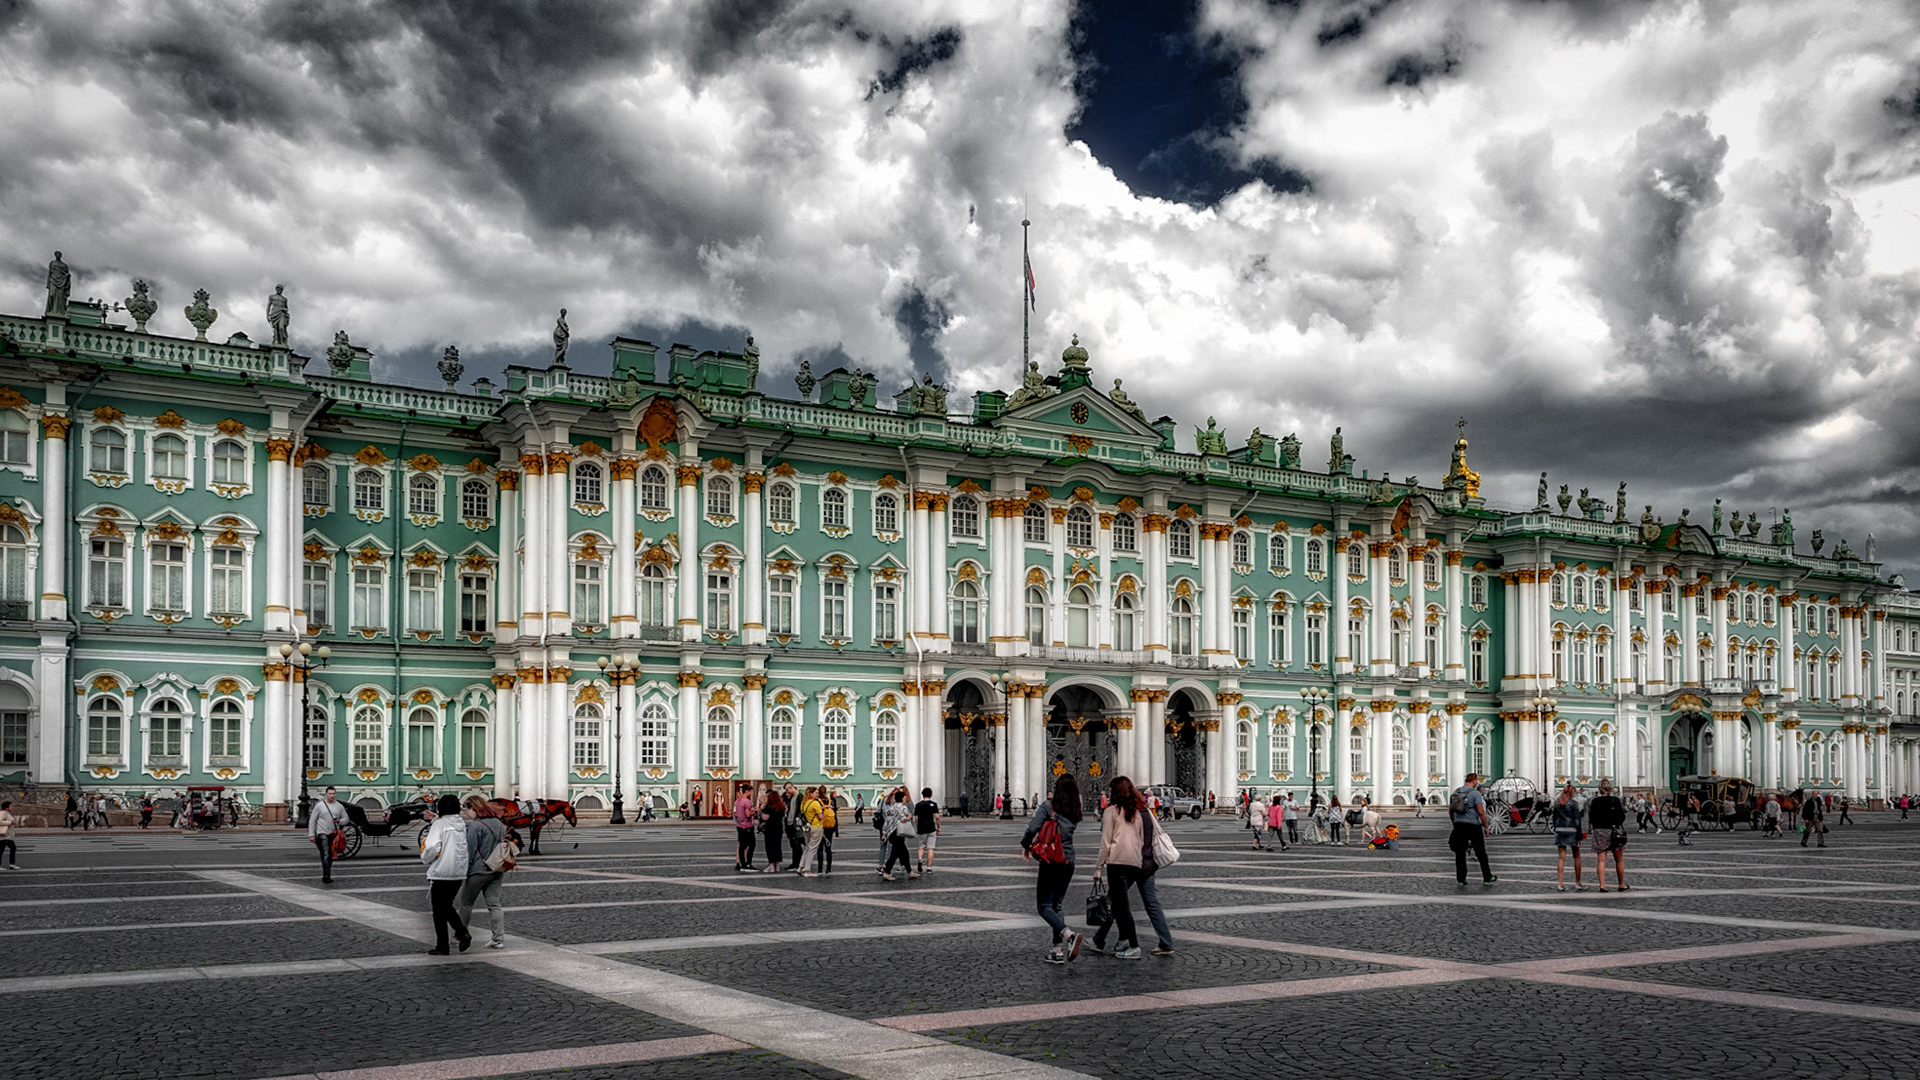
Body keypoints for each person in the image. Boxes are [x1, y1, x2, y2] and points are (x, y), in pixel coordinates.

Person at [1023, 774, 1084, 964]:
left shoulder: (1048, 806)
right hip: (1068, 861)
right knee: (1057, 904)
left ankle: (1069, 936)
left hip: (1051, 860)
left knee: (1044, 906)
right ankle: (1057, 951)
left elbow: (1033, 827)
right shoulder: (1075, 809)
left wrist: (1026, 845)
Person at [1092, 776, 1153, 959]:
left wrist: (1098, 868)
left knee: (1122, 907)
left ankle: (1134, 946)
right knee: (1118, 905)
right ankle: (1121, 940)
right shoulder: (1137, 812)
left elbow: (1106, 843)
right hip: (1135, 863)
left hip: (1117, 863)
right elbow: (1142, 840)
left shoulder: (1111, 811)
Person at [420, 794, 471, 955]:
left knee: (439, 911)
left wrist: (425, 858)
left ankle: (443, 945)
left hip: (441, 871)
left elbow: (432, 847)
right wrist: (436, 819)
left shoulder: (440, 824)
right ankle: (461, 933)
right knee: (446, 906)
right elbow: (447, 826)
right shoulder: (461, 823)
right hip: (458, 872)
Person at [456, 796, 509, 949]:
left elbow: (470, 851)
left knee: (466, 904)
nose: (467, 813)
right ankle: (498, 939)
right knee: (495, 905)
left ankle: (460, 935)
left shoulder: (475, 826)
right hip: (497, 869)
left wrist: (464, 872)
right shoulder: (500, 824)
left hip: (478, 871)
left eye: (468, 810)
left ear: (474, 808)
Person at [1448, 773, 1496, 886]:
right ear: (1474, 781)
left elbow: (1451, 811)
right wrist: (1486, 827)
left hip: (1459, 826)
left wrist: (1455, 823)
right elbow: (1480, 812)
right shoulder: (1475, 793)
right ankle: (1487, 877)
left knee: (1460, 854)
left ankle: (1461, 879)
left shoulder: (1456, 791)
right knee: (1481, 853)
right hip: (1473, 826)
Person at [1587, 779, 1629, 892]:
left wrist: (1595, 827)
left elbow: (1591, 817)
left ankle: (1602, 885)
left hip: (1600, 831)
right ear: (1610, 788)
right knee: (1619, 859)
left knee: (1601, 860)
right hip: (1614, 831)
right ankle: (1621, 884)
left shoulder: (1595, 801)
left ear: (1599, 788)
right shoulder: (1615, 800)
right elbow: (1621, 816)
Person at [306, 786, 349, 884]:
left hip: (334, 833)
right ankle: (326, 876)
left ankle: (327, 872)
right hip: (322, 832)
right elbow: (313, 820)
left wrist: (339, 821)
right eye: (330, 793)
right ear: (326, 794)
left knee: (331, 854)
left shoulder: (339, 806)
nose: (332, 796)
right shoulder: (320, 806)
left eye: (333, 793)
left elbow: (346, 818)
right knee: (325, 854)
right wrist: (311, 834)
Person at [1551, 784, 1584, 892]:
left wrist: (1557, 828)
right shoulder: (1573, 803)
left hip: (1560, 831)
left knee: (1561, 858)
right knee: (1576, 856)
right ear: (1572, 793)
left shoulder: (1557, 803)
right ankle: (1578, 882)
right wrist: (1579, 836)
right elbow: (1577, 821)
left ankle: (1560, 883)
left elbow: (1554, 818)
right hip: (1572, 831)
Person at [878, 789, 915, 880]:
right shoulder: (903, 808)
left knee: (901, 853)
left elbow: (886, 822)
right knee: (898, 854)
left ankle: (910, 872)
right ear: (902, 799)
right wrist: (909, 817)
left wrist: (884, 834)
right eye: (904, 798)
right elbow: (904, 819)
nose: (905, 799)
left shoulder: (891, 808)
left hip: (891, 833)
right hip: (898, 832)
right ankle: (887, 872)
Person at [796, 787, 827, 878]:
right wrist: (825, 813)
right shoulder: (815, 803)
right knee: (812, 849)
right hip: (815, 827)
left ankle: (800, 867)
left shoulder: (803, 803)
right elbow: (821, 817)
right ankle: (807, 870)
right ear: (811, 794)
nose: (818, 795)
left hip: (806, 828)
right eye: (816, 793)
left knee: (807, 848)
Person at [912, 787, 941, 873]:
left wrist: (918, 826)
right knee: (930, 848)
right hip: (931, 828)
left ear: (922, 794)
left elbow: (916, 818)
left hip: (921, 828)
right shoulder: (933, 804)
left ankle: (920, 859)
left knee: (921, 847)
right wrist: (938, 827)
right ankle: (929, 868)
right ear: (931, 794)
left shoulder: (918, 805)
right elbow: (937, 817)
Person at [759, 786, 787, 873]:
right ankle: (777, 866)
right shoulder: (781, 807)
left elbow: (765, 818)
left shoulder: (769, 807)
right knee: (778, 846)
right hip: (779, 828)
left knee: (770, 847)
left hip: (770, 829)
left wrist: (761, 811)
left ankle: (771, 866)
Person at [733, 785, 758, 872]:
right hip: (747, 826)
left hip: (739, 825)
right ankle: (748, 863)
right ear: (746, 791)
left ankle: (742, 864)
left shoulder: (737, 801)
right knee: (752, 845)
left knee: (742, 846)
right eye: (750, 791)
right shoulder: (747, 801)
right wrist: (754, 812)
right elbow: (748, 814)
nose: (751, 793)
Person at [813, 790, 838, 874]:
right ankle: (829, 869)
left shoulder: (817, 802)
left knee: (820, 849)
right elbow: (835, 814)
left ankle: (820, 869)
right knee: (828, 848)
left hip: (820, 827)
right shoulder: (830, 801)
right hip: (829, 827)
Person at [0, 801, 17, 869]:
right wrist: (10, 822)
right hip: (4, 836)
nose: (12, 807)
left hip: (8, 836)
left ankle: (12, 864)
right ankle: (11, 864)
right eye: (11, 806)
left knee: (13, 848)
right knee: (1, 850)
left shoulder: (7, 813)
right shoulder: (3, 813)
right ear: (6, 807)